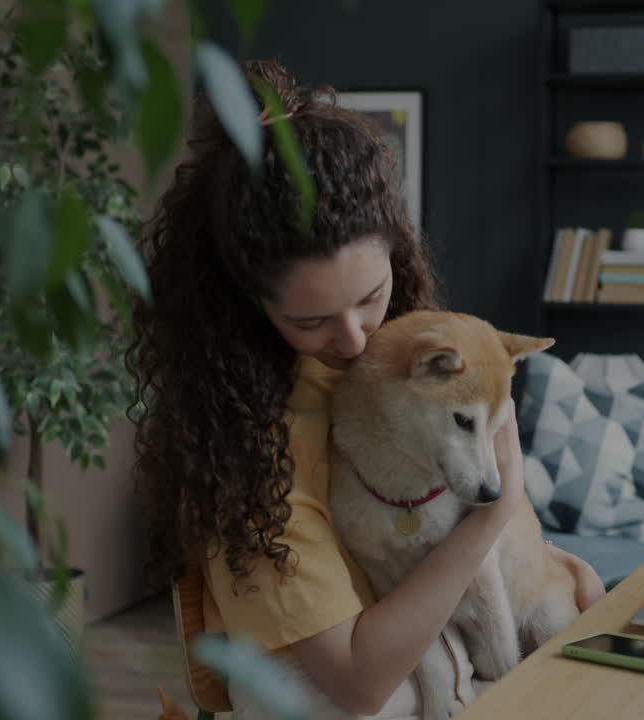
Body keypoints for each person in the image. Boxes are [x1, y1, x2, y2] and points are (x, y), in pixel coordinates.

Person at [129, 60, 605, 720]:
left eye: (372, 297)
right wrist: (494, 513)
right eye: (311, 321)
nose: (353, 339)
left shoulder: (399, 364)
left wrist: (552, 567)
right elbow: (357, 683)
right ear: (250, 305)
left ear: (398, 255)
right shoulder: (252, 457)